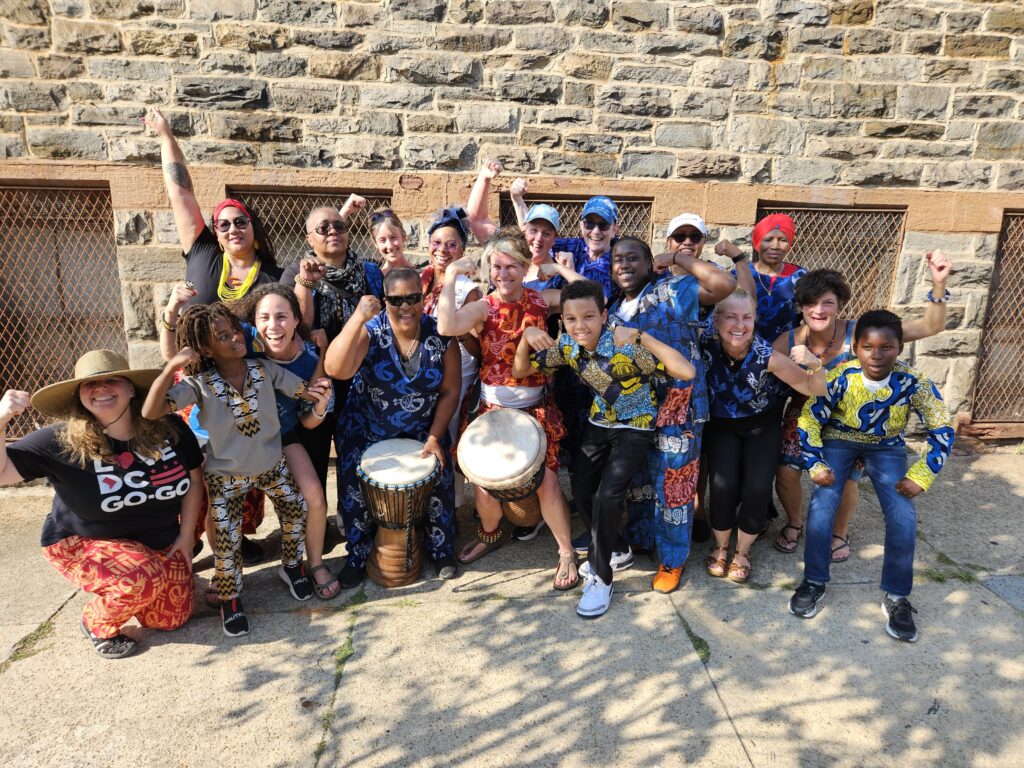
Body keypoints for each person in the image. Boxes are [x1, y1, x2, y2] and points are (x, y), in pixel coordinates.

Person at [143, 303, 332, 637]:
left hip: (273, 465)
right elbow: (152, 411)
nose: (235, 339)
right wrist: (171, 365)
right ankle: (230, 598)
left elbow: (303, 390)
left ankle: (292, 566)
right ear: (205, 348)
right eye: (223, 336)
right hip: (226, 477)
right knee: (228, 541)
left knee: (295, 511)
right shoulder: (198, 385)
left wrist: (318, 394)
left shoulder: (263, 369)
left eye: (234, 330)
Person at [0, 351, 203, 659]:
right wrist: (1, 419)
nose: (100, 388)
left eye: (112, 380)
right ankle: (97, 622)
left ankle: (135, 582)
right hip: (84, 542)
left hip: (156, 540)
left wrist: (186, 534)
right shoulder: (59, 441)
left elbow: (193, 478)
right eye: (89, 384)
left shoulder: (169, 428)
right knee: (141, 576)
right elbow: (2, 474)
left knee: (171, 618)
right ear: (78, 395)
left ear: (132, 388)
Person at [514, 280, 695, 617]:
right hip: (601, 421)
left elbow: (686, 370)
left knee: (607, 495)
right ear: (563, 321)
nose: (580, 326)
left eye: (588, 317)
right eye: (570, 319)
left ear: (604, 315)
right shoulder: (569, 346)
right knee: (580, 488)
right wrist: (526, 337)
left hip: (635, 424)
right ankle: (617, 549)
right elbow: (521, 369)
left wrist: (642, 337)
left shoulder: (626, 345)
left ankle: (601, 577)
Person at [771, 253, 952, 559]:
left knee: (846, 479)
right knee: (786, 471)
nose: (819, 310)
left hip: (853, 419)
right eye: (811, 303)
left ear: (839, 304)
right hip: (805, 411)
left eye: (827, 302)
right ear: (800, 307)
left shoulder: (862, 333)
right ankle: (794, 522)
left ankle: (838, 532)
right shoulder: (787, 342)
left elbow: (930, 326)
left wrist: (939, 282)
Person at [790, 310, 955, 643]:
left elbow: (942, 427)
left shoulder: (914, 383)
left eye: (887, 347)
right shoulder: (841, 376)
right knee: (823, 502)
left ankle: (896, 596)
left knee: (903, 512)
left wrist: (922, 474)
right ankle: (814, 580)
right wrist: (816, 463)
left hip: (887, 446)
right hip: (840, 438)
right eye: (868, 347)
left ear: (900, 348)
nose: (876, 355)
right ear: (856, 346)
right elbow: (810, 418)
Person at [437, 231, 578, 591]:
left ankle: (565, 552)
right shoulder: (485, 306)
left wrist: (562, 272)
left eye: (511, 266)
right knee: (484, 486)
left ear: (524, 266)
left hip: (535, 407)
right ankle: (490, 533)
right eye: (496, 266)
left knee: (547, 483)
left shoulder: (542, 300)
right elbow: (446, 325)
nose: (503, 274)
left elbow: (593, 297)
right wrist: (452, 275)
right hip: (492, 410)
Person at [605, 237, 735, 594]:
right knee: (640, 483)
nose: (625, 265)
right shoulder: (614, 309)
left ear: (650, 263)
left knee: (674, 485)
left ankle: (672, 560)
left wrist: (677, 257)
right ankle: (645, 538)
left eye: (634, 257)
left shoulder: (672, 290)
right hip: (636, 413)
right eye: (618, 259)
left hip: (678, 409)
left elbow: (724, 284)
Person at [324, 268, 462, 587]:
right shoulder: (372, 331)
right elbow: (335, 369)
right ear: (385, 301)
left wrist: (435, 435)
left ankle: (441, 550)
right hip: (367, 426)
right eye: (396, 299)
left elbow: (451, 390)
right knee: (352, 481)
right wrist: (358, 318)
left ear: (423, 298)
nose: (406, 306)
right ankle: (358, 553)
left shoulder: (440, 335)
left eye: (413, 298)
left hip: (423, 427)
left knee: (440, 472)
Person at [700, 290, 827, 584]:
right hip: (721, 425)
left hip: (762, 427)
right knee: (722, 484)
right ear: (716, 320)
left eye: (746, 317)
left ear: (755, 320)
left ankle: (742, 551)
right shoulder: (703, 344)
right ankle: (720, 546)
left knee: (757, 487)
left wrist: (816, 365)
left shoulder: (766, 356)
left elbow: (815, 389)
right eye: (731, 316)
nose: (739, 324)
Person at [144, 109, 281, 306]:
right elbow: (180, 193)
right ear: (216, 233)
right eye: (223, 225)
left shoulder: (275, 279)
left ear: (254, 228)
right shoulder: (203, 253)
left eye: (240, 222)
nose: (233, 229)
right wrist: (166, 137)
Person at [369, 208, 414, 274]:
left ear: (403, 236)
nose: (389, 246)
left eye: (393, 237)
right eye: (383, 240)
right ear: (375, 243)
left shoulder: (419, 277)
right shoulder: (375, 279)